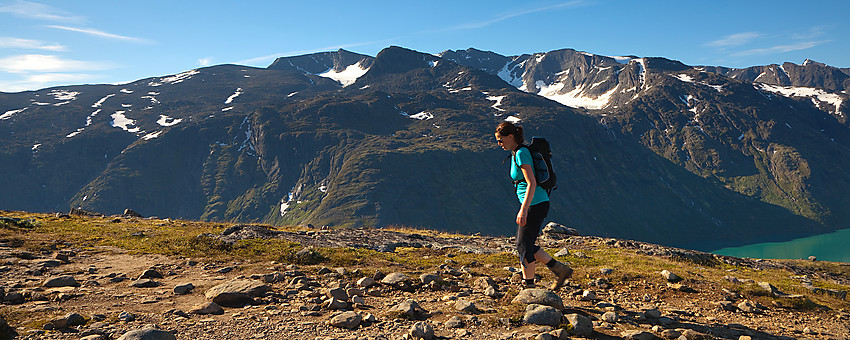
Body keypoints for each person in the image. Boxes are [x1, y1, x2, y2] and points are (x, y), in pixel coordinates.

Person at [495, 121, 572, 290]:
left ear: (510, 137)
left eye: (500, 140)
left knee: (523, 245)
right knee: (525, 244)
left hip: (534, 204)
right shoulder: (516, 153)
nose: (499, 144)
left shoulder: (521, 153)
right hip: (535, 203)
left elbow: (531, 182)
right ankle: (560, 269)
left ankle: (529, 286)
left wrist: (523, 209)